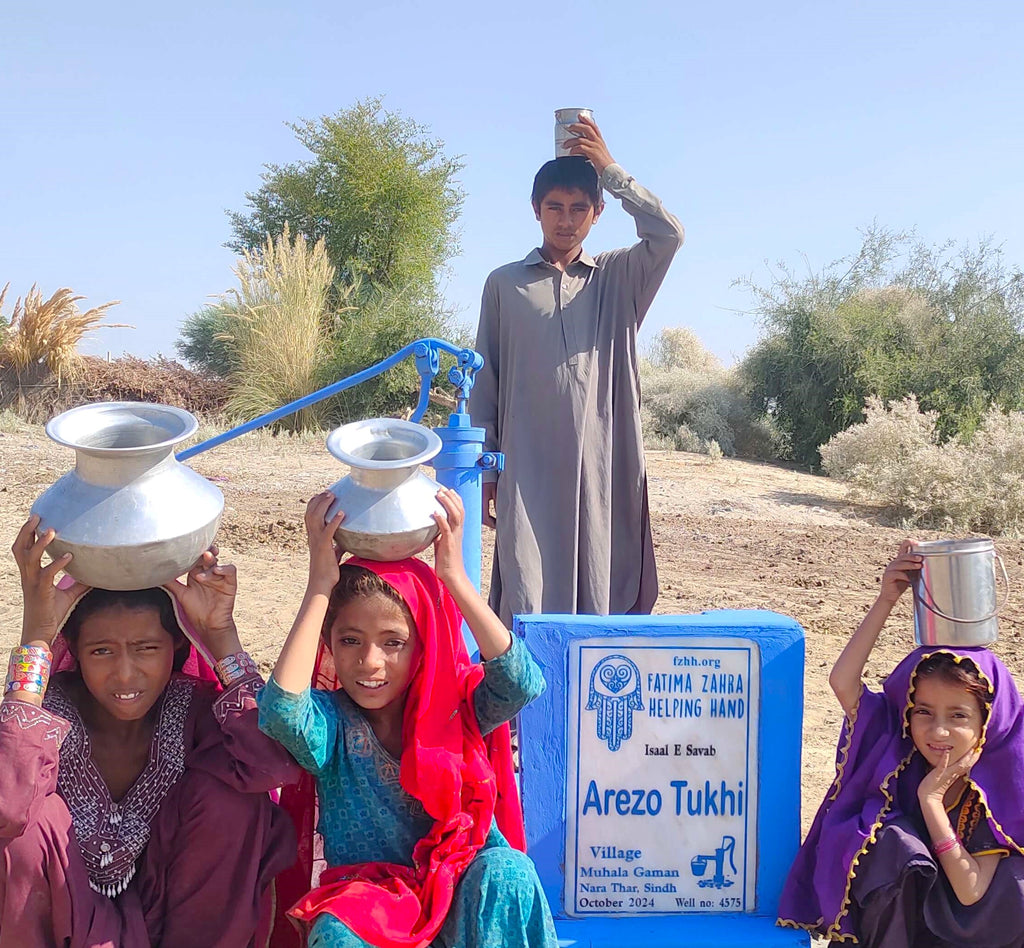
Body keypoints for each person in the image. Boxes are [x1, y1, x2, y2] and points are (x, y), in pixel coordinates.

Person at [258, 487, 558, 948]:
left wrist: (455, 579)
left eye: (393, 642)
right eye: (350, 641)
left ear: (424, 646)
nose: (370, 662)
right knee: (336, 934)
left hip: (459, 892)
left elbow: (520, 682)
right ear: (330, 644)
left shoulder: (457, 706)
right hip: (370, 902)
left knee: (507, 871)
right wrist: (319, 586)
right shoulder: (333, 723)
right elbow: (281, 711)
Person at [0, 515, 300, 948]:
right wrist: (37, 638)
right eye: (102, 651)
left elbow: (270, 768)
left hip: (177, 919)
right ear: (76, 653)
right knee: (23, 826)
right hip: (67, 920)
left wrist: (220, 636)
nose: (126, 675)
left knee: (233, 800)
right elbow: (7, 807)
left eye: (147, 648)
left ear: (176, 646)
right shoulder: (45, 716)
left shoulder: (192, 707)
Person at [470, 112, 685, 626]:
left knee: (604, 589)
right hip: (526, 467)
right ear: (535, 211)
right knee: (526, 593)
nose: (565, 220)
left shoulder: (618, 276)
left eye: (578, 209)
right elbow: (486, 379)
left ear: (597, 213)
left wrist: (609, 167)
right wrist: (486, 469)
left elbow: (669, 235)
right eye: (554, 208)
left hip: (603, 462)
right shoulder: (505, 284)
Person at [778, 541, 1024, 946]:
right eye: (923, 711)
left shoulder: (999, 783)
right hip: (906, 928)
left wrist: (931, 802)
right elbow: (843, 682)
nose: (938, 731)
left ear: (988, 721)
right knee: (888, 841)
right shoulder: (899, 749)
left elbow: (971, 892)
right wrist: (887, 599)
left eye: (958, 716)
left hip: (980, 928)